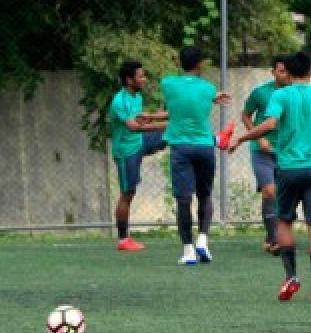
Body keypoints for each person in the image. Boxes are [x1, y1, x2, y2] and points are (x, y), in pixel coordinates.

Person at [230, 52, 311, 303]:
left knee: (284, 221)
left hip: (288, 168)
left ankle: (291, 277)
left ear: (289, 72)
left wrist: (243, 138)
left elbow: (270, 124)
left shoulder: (280, 95)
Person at [161, 46, 230, 266]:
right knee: (205, 194)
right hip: (204, 146)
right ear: (200, 64)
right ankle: (203, 238)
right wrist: (213, 97)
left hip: (181, 147)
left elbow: (175, 106)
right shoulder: (209, 88)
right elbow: (202, 97)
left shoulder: (168, 83)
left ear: (180, 62)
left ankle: (188, 250)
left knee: (184, 198)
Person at [109, 60, 168, 252]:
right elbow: (134, 127)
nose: (144, 79)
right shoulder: (119, 100)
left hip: (140, 142)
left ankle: (216, 140)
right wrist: (166, 124)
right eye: (140, 76)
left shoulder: (137, 97)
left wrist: (162, 119)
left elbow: (142, 119)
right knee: (128, 193)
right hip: (127, 151)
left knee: (174, 135)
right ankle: (123, 240)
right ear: (129, 80)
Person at [240, 57, 291, 255]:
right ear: (273, 72)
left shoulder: (293, 93)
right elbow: (245, 115)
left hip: (286, 151)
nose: (284, 75)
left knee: (283, 195)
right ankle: (275, 238)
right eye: (281, 71)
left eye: (287, 71)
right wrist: (259, 137)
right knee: (269, 191)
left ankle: (273, 235)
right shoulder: (261, 93)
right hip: (261, 151)